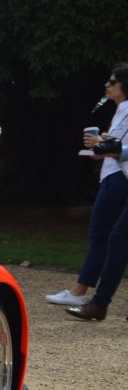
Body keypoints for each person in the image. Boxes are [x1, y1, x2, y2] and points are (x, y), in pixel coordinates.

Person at [63, 66, 128, 320]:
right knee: (117, 240)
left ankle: (98, 303)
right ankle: (98, 304)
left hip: (118, 177)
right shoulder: (120, 110)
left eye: (113, 82)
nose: (107, 85)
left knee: (115, 239)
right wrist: (107, 147)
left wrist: (110, 148)